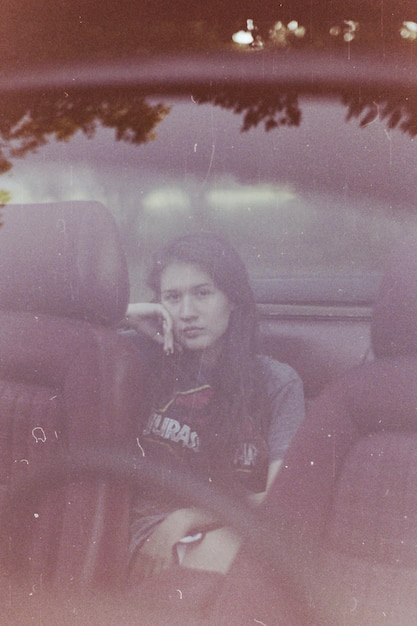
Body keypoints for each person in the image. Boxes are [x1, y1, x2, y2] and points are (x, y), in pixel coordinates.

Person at [124, 232, 304, 580]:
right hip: (147, 531)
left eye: (203, 293)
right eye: (172, 297)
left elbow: (278, 494)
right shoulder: (141, 360)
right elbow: (76, 332)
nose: (187, 312)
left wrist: (188, 517)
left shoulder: (278, 383)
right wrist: (129, 315)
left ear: (232, 300)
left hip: (234, 526)